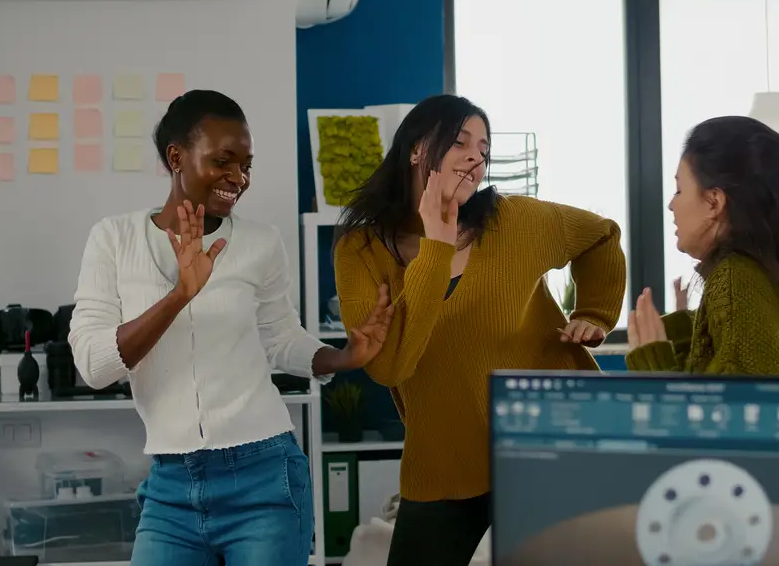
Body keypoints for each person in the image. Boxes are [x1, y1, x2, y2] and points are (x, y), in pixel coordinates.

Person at [68, 90, 391, 566]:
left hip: (264, 477)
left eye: (246, 166)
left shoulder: (261, 242)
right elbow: (94, 366)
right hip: (170, 486)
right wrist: (180, 295)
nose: (238, 179)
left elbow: (280, 339)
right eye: (223, 161)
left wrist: (344, 357)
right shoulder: (113, 240)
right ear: (176, 157)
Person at [333, 94, 627, 566]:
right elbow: (390, 366)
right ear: (415, 149)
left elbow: (601, 236)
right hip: (444, 458)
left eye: (483, 148)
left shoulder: (516, 221)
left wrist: (595, 311)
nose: (476, 156)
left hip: (551, 442)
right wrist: (436, 247)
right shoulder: (361, 250)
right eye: (459, 141)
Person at [625, 115, 779, 375]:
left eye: (679, 190)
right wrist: (683, 331)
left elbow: (734, 411)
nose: (671, 205)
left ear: (714, 202)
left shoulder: (735, 281)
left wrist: (653, 362)